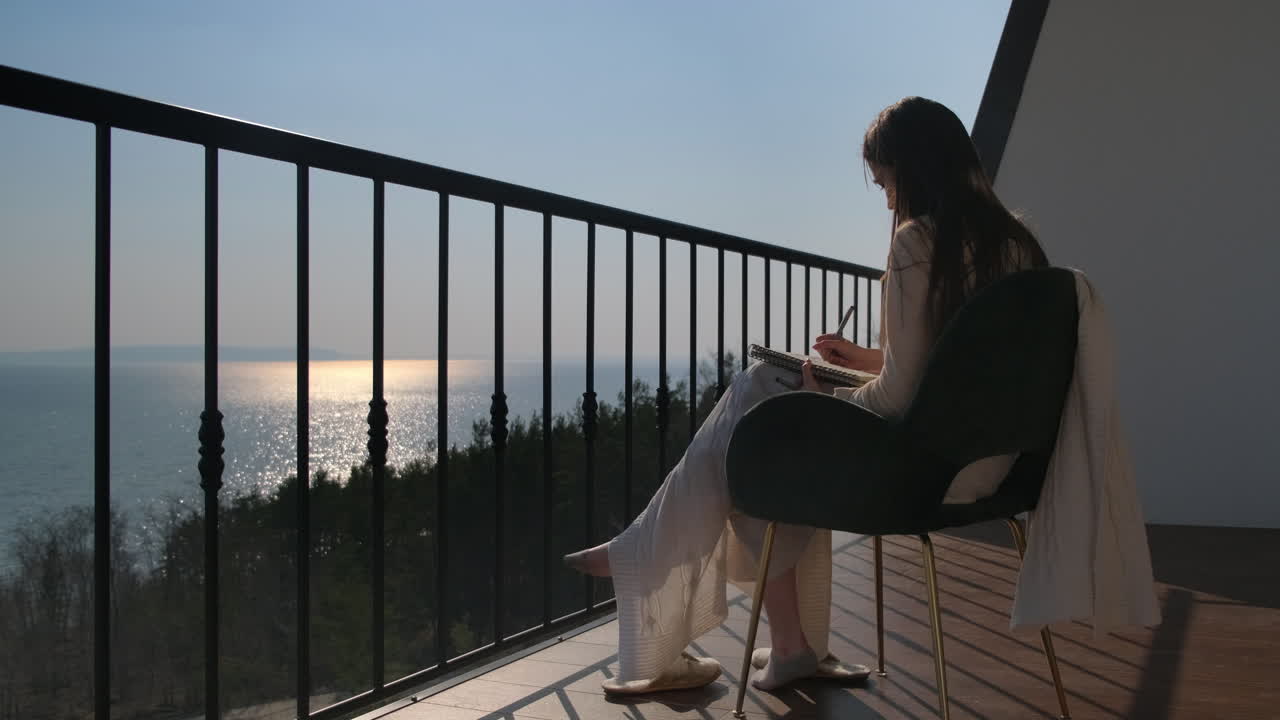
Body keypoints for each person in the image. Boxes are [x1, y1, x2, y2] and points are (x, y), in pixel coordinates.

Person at [564, 96, 1049, 695]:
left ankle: (645, 552)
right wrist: (867, 363)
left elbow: (898, 404)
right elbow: (953, 368)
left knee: (764, 402)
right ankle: (789, 643)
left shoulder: (920, 243)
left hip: (925, 472)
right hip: (994, 467)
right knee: (770, 414)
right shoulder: (1020, 248)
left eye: (887, 185)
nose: (890, 202)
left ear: (916, 170)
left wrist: (826, 403)